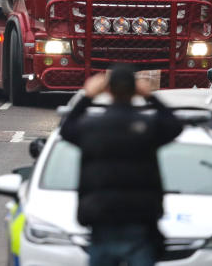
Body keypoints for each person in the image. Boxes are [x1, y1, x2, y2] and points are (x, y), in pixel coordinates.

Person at [60, 66, 183, 266]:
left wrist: (87, 97)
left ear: (107, 91)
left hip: (101, 218)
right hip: (140, 218)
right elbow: (174, 126)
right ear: (135, 90)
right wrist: (150, 97)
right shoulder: (146, 126)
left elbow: (66, 129)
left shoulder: (92, 127)